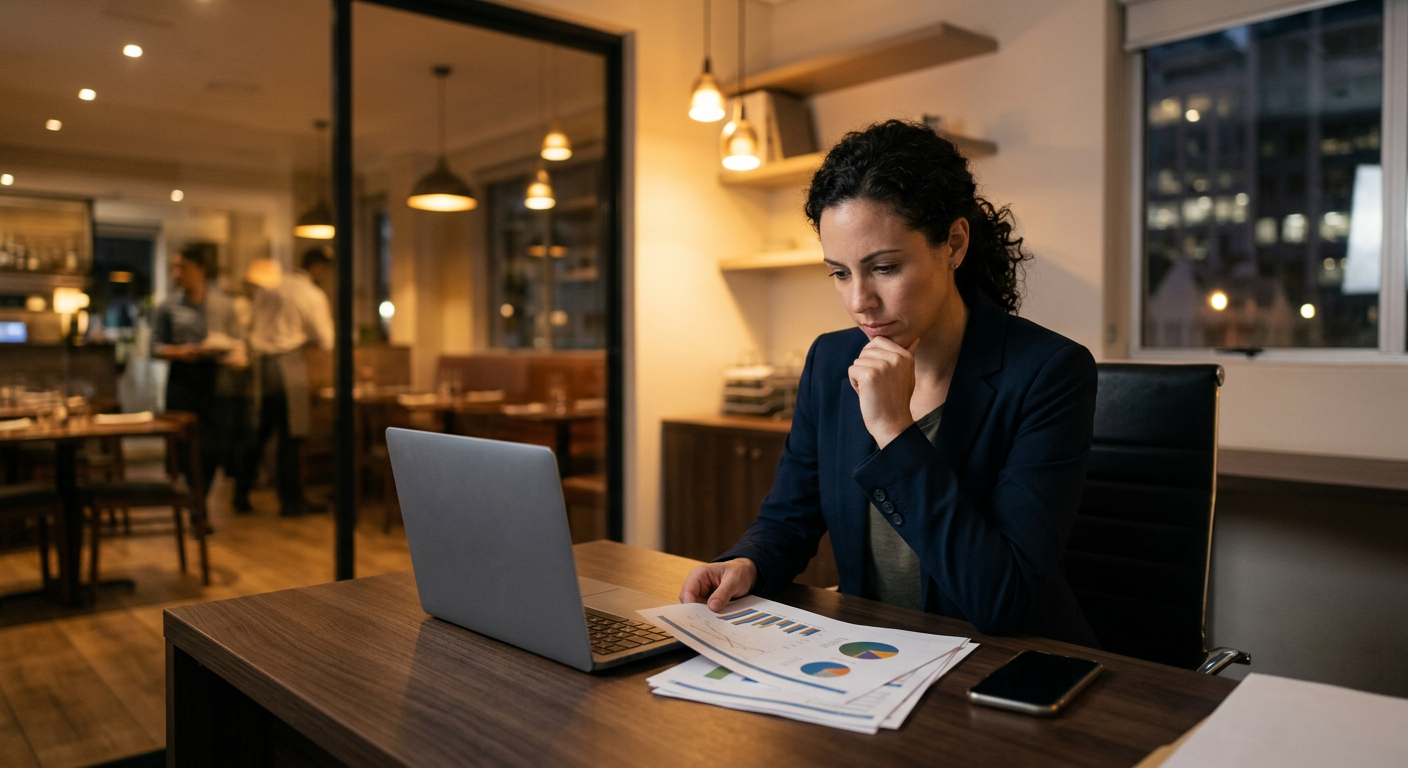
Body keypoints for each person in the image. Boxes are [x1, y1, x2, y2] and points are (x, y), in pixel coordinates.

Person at [679, 120, 1101, 647]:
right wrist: (748, 561)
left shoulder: (1049, 372)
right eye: (839, 272)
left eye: (883, 267)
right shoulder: (831, 360)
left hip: (1005, 668)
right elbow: (789, 518)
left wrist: (895, 431)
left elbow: (1001, 599)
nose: (860, 302)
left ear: (953, 243)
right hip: (877, 660)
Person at [234, 249, 334, 516]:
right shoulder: (312, 294)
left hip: (261, 364)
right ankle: (291, 501)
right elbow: (326, 339)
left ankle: (240, 493)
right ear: (319, 268)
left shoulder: (272, 286)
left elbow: (251, 324)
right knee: (292, 435)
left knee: (261, 431)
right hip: (288, 363)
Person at [151, 243, 242, 492]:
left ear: (200, 269)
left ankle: (200, 499)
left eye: (182, 267)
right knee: (184, 445)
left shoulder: (223, 303)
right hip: (182, 380)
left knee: (213, 446)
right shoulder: (168, 307)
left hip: (215, 379)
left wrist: (223, 349)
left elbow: (237, 341)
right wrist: (180, 351)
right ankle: (193, 502)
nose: (176, 274)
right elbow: (155, 347)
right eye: (174, 268)